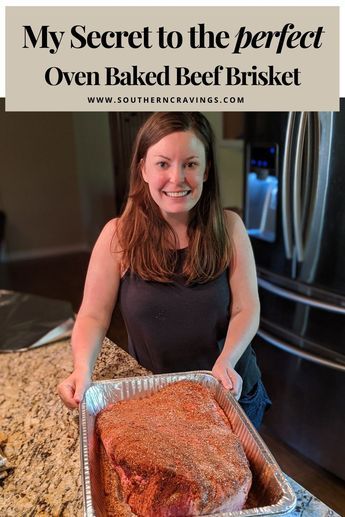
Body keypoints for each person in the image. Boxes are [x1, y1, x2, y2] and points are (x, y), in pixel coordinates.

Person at [58, 112, 271, 428]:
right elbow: (93, 315)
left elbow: (246, 308)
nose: (177, 178)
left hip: (229, 394)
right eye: (162, 164)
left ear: (207, 169)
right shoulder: (118, 236)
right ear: (142, 168)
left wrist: (227, 360)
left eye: (190, 164)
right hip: (159, 397)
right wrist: (82, 369)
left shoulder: (229, 228)